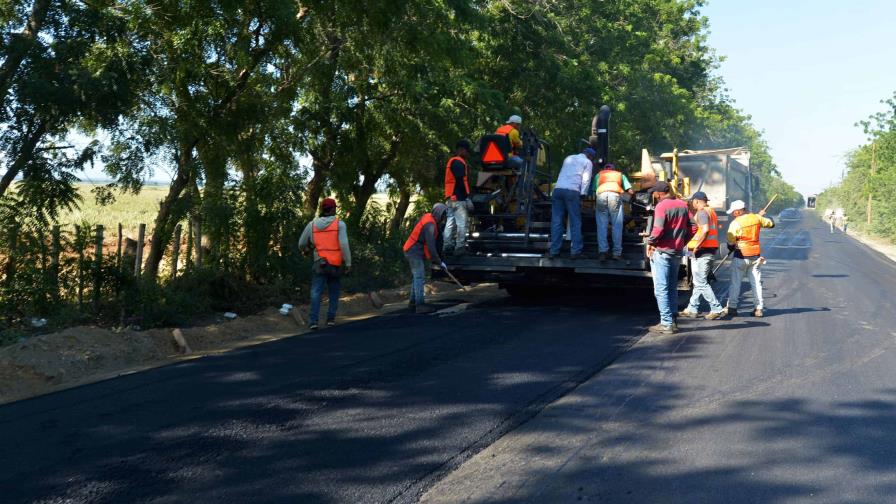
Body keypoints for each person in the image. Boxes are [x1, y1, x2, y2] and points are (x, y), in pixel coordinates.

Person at [646, 181, 692, 334]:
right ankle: (672, 318)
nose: (654, 195)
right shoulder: (683, 204)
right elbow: (694, 226)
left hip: (662, 252)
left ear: (659, 193)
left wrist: (650, 242)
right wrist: (682, 242)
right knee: (672, 286)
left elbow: (658, 229)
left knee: (661, 289)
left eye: (654, 193)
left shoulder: (661, 206)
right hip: (676, 252)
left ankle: (666, 323)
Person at [299, 197, 351, 330]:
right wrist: (348, 262)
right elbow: (344, 245)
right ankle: (330, 319)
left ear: (322, 209)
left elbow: (301, 243)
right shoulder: (340, 224)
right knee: (334, 291)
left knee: (316, 292)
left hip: (319, 263)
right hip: (335, 263)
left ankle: (313, 321)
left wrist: (306, 250)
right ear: (333, 209)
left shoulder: (312, 224)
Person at [724, 200, 775, 318]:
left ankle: (732, 308)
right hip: (755, 256)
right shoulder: (757, 218)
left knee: (735, 283)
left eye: (733, 212)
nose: (732, 214)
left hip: (741, 256)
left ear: (739, 211)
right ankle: (759, 308)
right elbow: (771, 224)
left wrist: (731, 247)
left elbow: (731, 242)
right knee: (756, 283)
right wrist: (762, 215)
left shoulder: (735, 223)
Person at [678, 191, 724, 320]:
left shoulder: (703, 212)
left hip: (702, 251)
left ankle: (716, 308)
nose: (692, 204)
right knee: (698, 283)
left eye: (693, 202)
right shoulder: (711, 211)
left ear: (696, 201)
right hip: (706, 250)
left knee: (701, 282)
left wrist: (697, 245)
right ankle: (692, 308)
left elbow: (705, 230)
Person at [549, 147, 596, 259]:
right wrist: (583, 193)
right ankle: (576, 251)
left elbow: (562, 173)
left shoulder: (568, 158)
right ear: (590, 156)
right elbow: (586, 179)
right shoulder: (587, 162)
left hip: (558, 190)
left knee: (556, 221)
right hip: (572, 191)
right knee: (575, 221)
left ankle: (554, 251)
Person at [404, 203, 448, 314]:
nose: (444, 218)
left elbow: (437, 243)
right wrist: (439, 262)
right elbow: (431, 246)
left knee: (416, 277)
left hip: (412, 250)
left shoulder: (429, 218)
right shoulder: (430, 225)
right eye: (443, 215)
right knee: (419, 277)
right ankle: (420, 305)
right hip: (413, 251)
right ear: (438, 214)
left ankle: (413, 302)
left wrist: (440, 260)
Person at [594, 162, 634, 261]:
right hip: (615, 196)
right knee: (617, 225)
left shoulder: (599, 175)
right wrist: (633, 197)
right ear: (613, 169)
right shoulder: (620, 175)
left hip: (601, 196)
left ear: (605, 169)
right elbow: (630, 190)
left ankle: (602, 252)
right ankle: (616, 253)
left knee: (601, 225)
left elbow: (594, 190)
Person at [443, 139, 473, 256]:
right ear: (461, 150)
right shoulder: (458, 162)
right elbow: (460, 181)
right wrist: (466, 198)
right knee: (462, 223)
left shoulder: (452, 161)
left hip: (451, 198)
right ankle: (460, 247)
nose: (467, 154)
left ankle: (447, 246)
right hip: (458, 198)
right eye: (466, 151)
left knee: (450, 222)